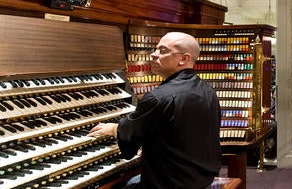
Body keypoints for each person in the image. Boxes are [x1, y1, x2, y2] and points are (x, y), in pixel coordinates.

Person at [88, 32, 221, 189]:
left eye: (162, 51)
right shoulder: (207, 90)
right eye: (155, 49)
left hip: (172, 183)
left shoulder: (157, 97)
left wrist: (114, 128)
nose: (153, 55)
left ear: (184, 59)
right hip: (201, 177)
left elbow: (131, 132)